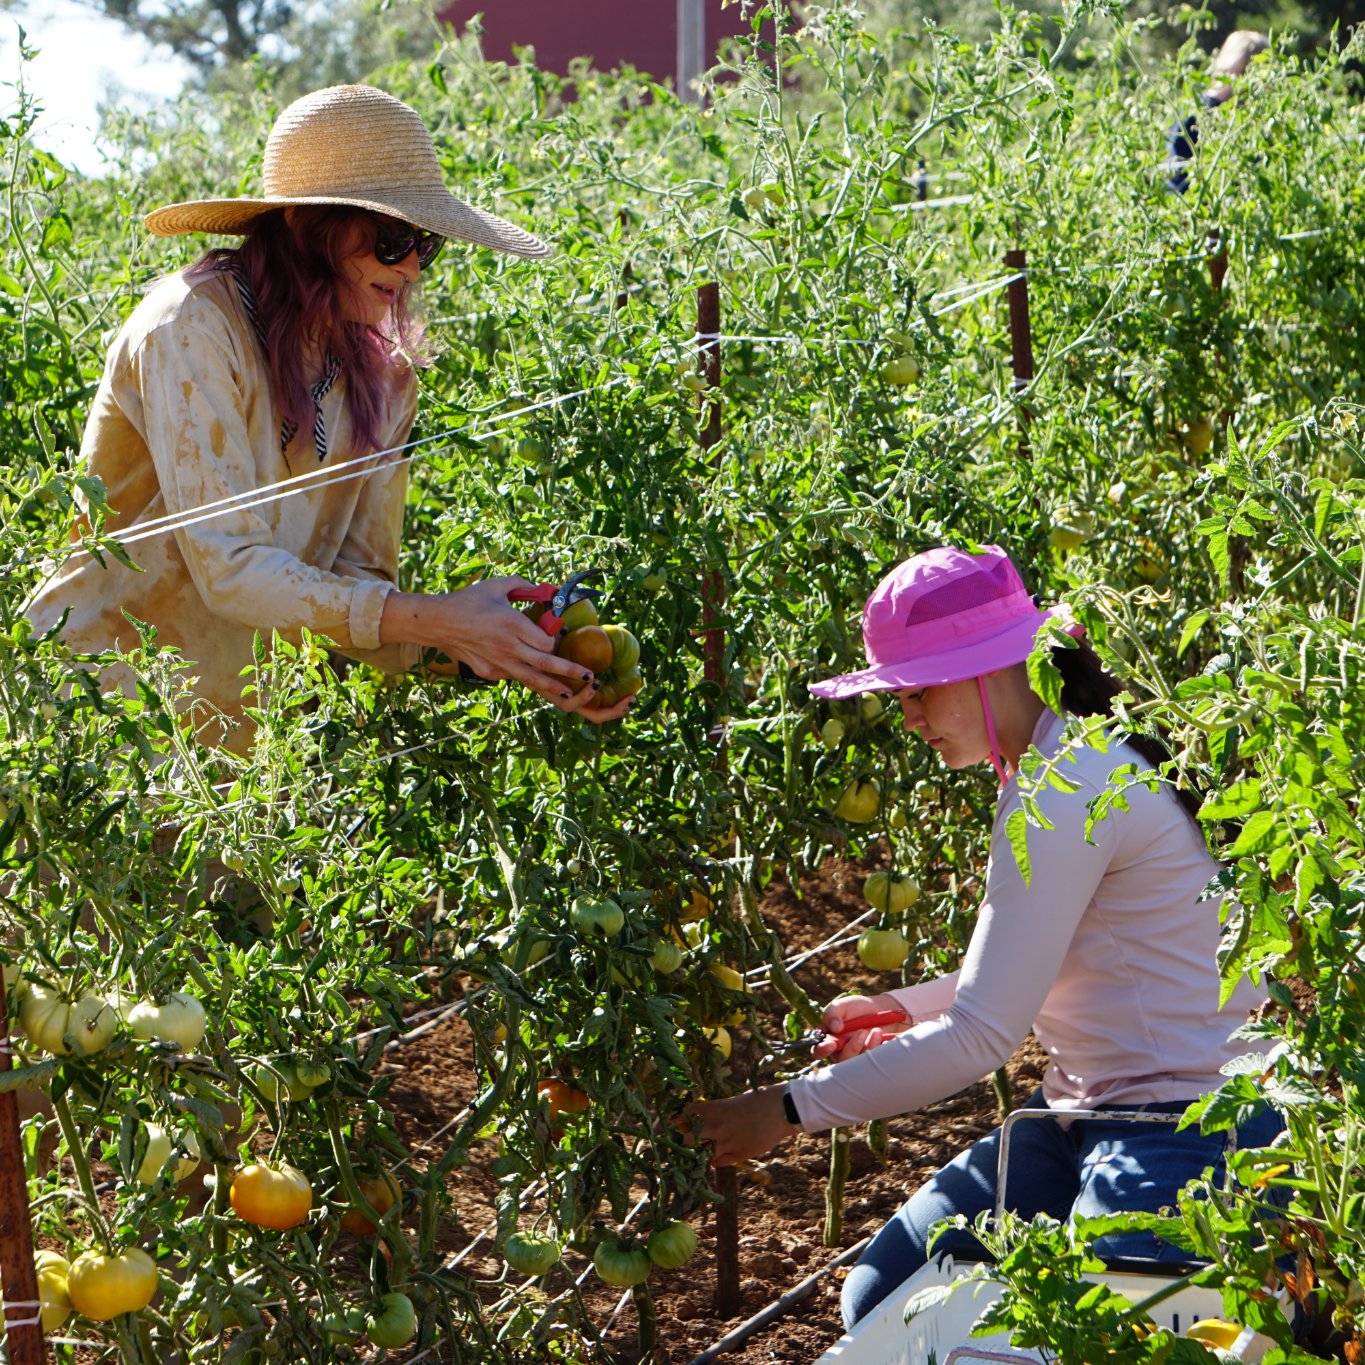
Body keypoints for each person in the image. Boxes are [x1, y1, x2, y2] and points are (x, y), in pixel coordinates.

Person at [691, 545, 1278, 1329]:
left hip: (1192, 1121)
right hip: (1080, 1110)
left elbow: (981, 1035)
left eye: (918, 690)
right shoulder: (1063, 756)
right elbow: (1051, 961)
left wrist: (785, 1111)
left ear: (985, 670)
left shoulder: (1066, 783)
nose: (907, 716)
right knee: (888, 1301)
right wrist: (898, 1005)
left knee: (1122, 1331)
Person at [25, 84, 631, 753]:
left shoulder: (385, 378)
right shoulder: (192, 327)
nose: (407, 267)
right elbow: (228, 567)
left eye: (424, 245)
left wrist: (491, 648)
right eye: (391, 237)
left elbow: (357, 595)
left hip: (240, 762)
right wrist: (441, 622)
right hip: (93, 725)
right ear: (305, 226)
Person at [1165, 30, 1270, 194]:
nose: (1255, 82)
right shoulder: (1195, 111)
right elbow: (1176, 177)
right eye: (1247, 70)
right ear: (1229, 66)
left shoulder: (1251, 121)